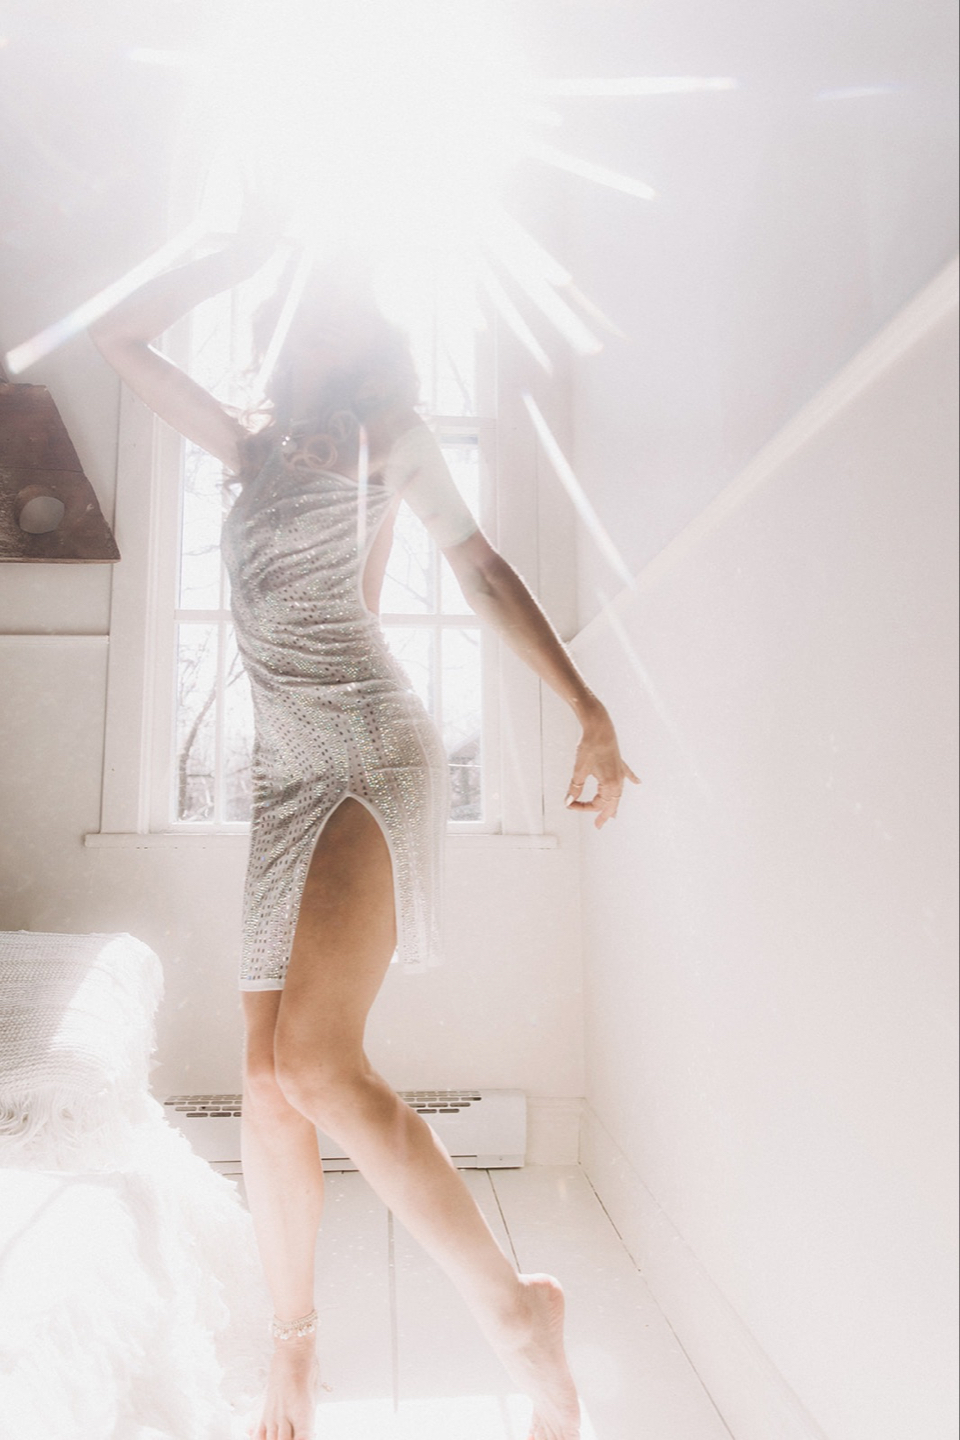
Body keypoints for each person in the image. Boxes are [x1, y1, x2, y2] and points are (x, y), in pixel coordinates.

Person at [89, 219, 639, 1440]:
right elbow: (118, 340)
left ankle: (519, 1317)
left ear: (369, 334)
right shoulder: (248, 453)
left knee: (316, 1063)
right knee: (265, 1084)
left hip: (369, 750)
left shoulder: (390, 441)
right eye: (305, 307)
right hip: (282, 776)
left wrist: (590, 710)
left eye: (342, 306)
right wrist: (238, 251)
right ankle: (293, 1357)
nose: (320, 326)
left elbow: (480, 569)